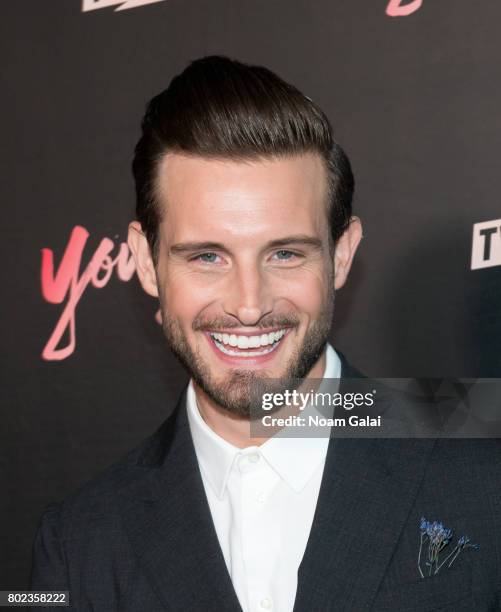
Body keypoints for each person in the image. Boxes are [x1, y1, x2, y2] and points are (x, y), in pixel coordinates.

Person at [31, 56, 501, 611]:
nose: (249, 306)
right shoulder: (77, 543)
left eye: (284, 253)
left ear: (341, 256)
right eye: (207, 256)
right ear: (145, 262)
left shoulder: (483, 475)